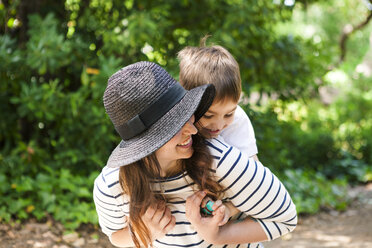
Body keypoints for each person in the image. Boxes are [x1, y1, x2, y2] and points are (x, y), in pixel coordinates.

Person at [93, 61, 297, 248]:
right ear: (146, 141)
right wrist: (143, 233)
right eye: (174, 126)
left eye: (186, 114)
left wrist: (218, 235)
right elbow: (115, 235)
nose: (192, 130)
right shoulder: (110, 186)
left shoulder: (220, 161)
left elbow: (284, 218)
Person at [178, 37, 258, 160]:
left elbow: (253, 168)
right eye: (208, 116)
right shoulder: (175, 120)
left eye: (228, 114)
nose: (218, 125)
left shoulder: (238, 120)